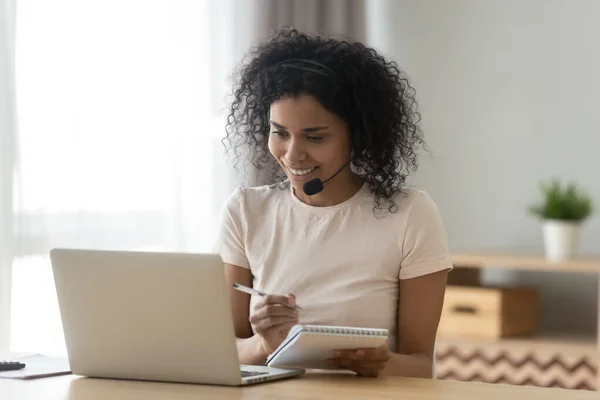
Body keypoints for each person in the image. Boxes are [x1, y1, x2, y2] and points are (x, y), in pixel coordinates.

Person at [215, 27, 453, 379]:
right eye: (279, 132)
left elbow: (420, 364)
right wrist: (264, 344)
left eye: (315, 136)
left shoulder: (410, 215)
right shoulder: (245, 211)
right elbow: (218, 351)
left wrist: (382, 363)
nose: (292, 154)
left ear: (357, 136)